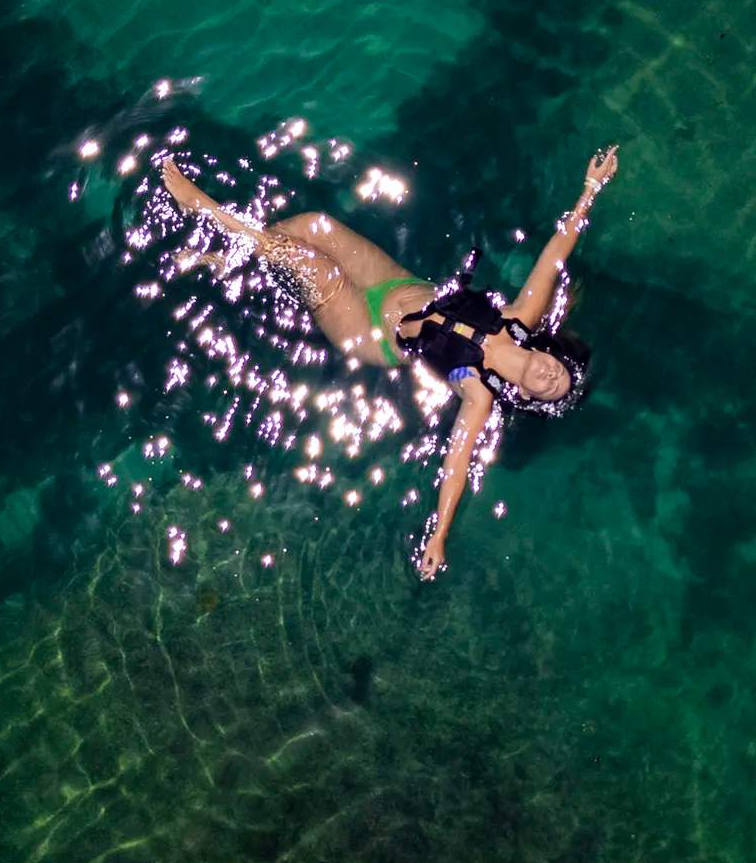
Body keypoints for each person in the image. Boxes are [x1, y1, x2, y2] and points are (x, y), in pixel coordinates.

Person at [161, 145, 619, 579]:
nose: (547, 374)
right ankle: (221, 260)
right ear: (547, 351)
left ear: (526, 396)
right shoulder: (520, 317)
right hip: (397, 284)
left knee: (308, 263)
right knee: (310, 226)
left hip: (372, 333)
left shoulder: (479, 392)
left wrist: (438, 536)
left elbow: (456, 467)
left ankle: (203, 210)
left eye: (548, 387)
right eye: (555, 370)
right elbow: (554, 254)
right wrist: (590, 190)